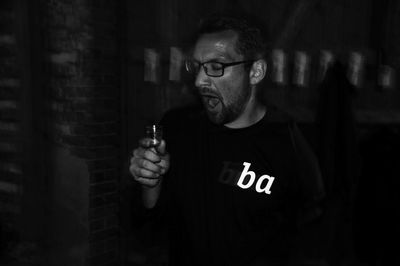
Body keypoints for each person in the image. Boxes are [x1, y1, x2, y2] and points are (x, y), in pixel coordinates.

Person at [130, 14, 325, 266]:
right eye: (197, 66)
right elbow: (150, 226)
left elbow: (313, 235)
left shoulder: (288, 142)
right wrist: (150, 180)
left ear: (255, 72)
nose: (200, 81)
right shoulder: (177, 128)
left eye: (215, 67)